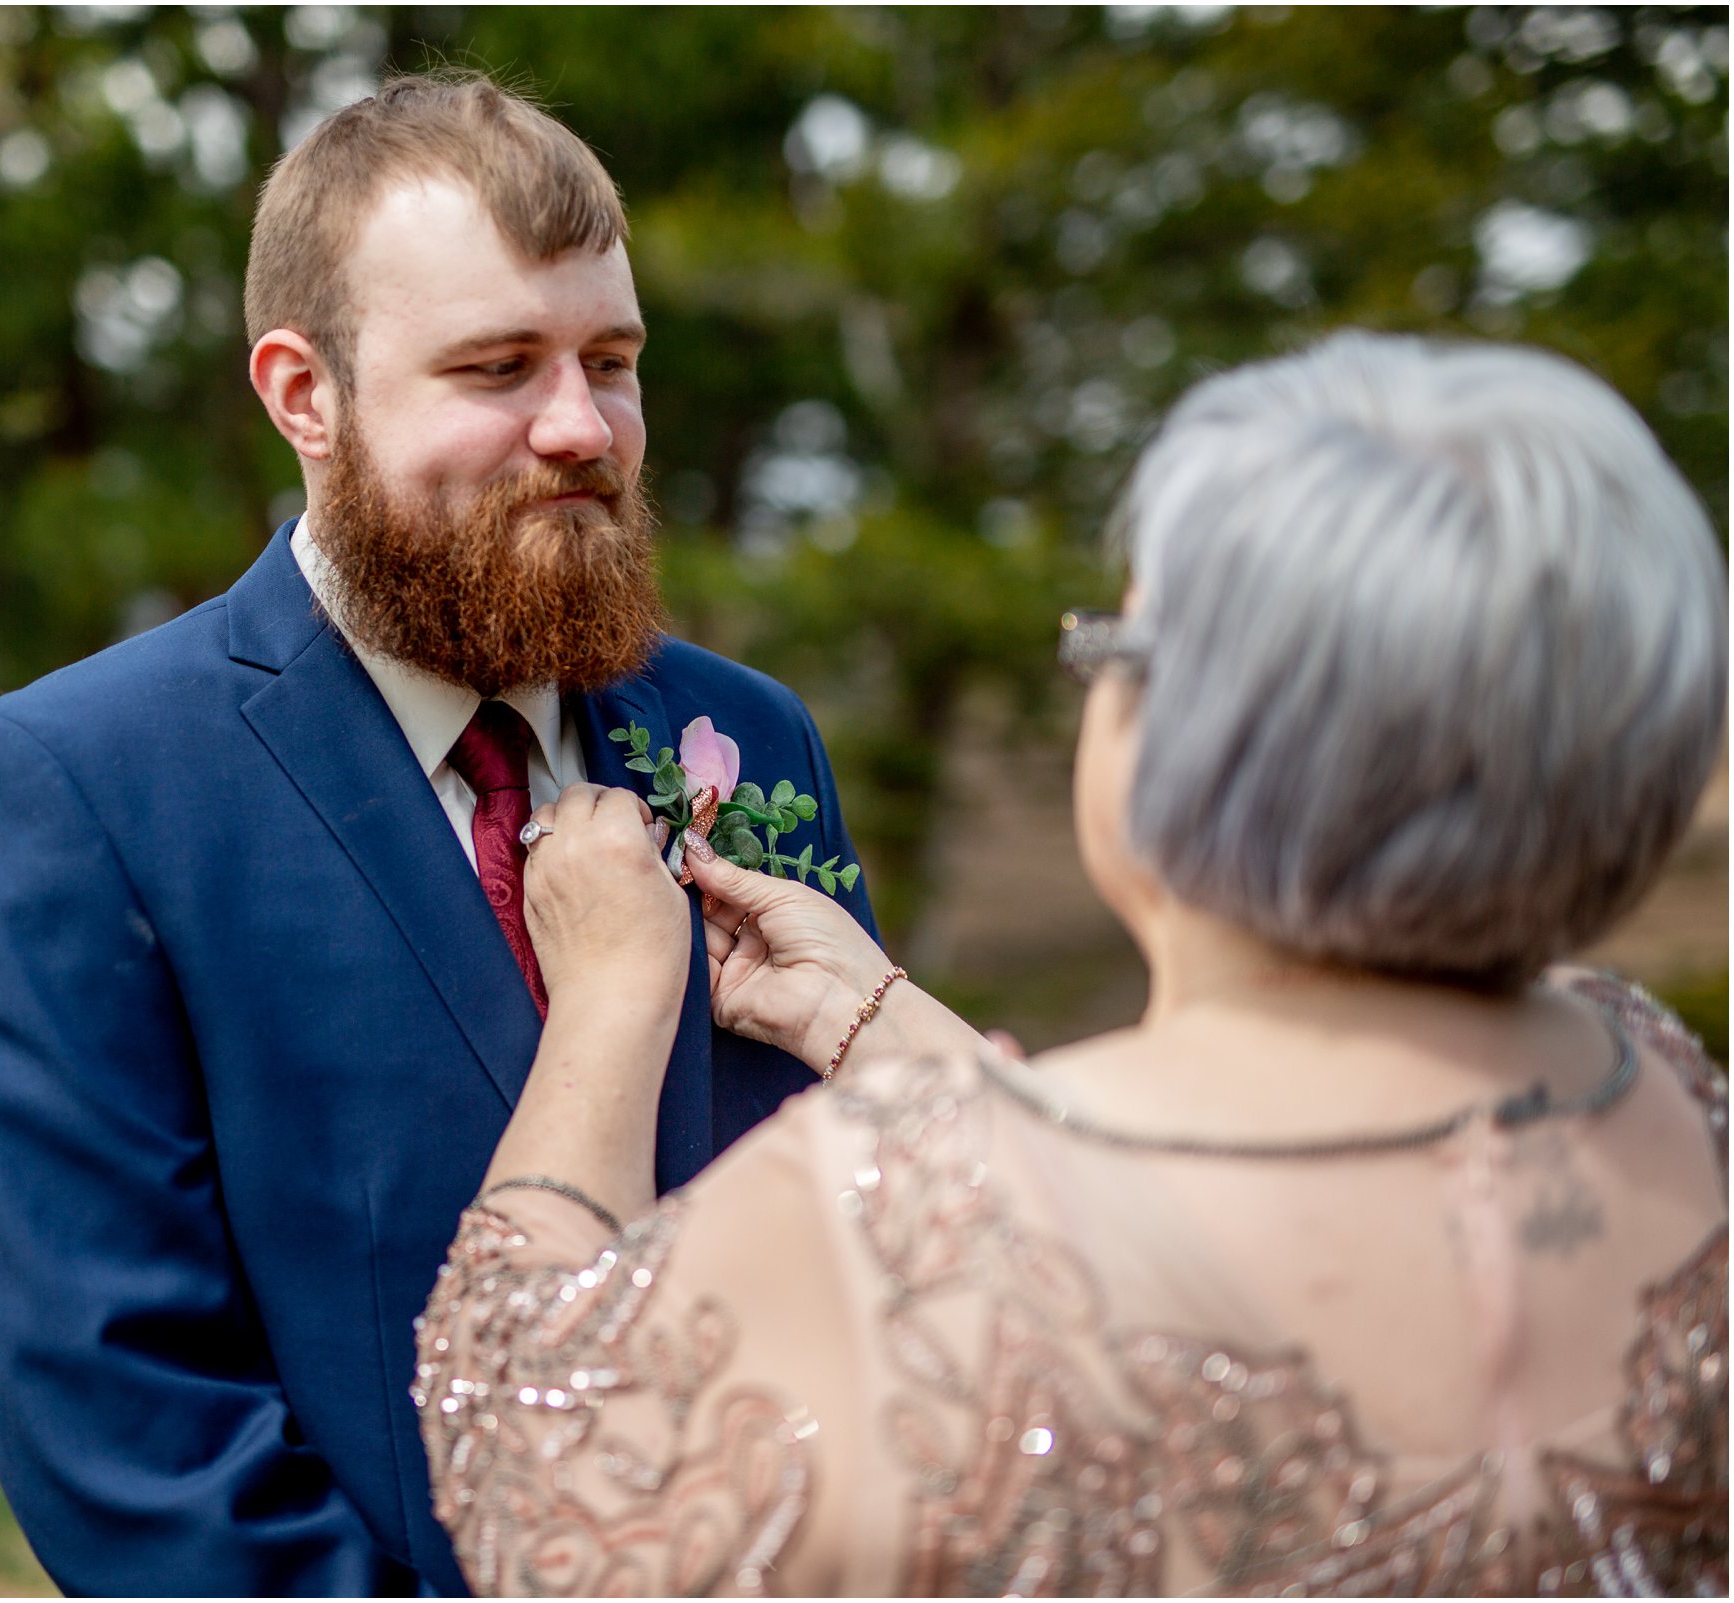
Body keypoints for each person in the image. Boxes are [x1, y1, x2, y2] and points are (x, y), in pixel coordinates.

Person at [415, 332, 1728, 1595]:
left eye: (1116, 640)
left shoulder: (875, 1217)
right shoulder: (1660, 1085)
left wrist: (610, 1000)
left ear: (1199, 728)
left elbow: (531, 1460)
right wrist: (876, 1015)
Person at [0, 74, 875, 1595]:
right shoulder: (73, 791)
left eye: (609, 361)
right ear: (304, 393)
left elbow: (857, 1234)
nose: (580, 427)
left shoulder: (750, 742)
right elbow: (127, 1431)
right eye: (498, 367)